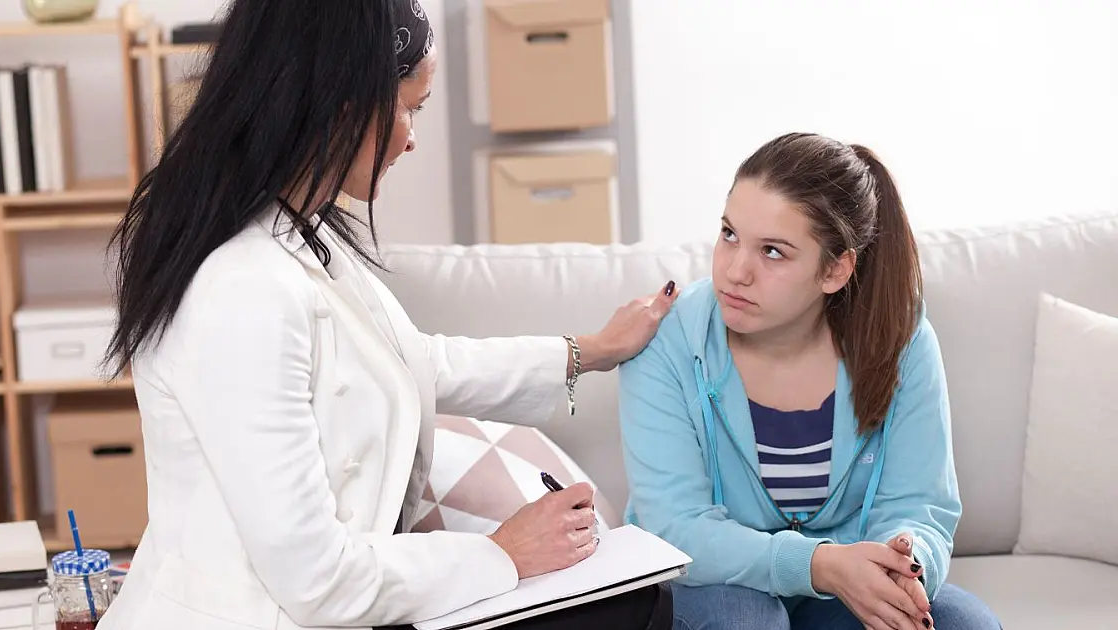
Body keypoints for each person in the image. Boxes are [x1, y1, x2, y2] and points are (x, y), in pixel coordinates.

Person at [95, 2, 677, 629]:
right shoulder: (240, 291)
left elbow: (417, 362)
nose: (411, 135)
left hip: (349, 603)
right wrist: (503, 555)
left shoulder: (298, 238)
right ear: (339, 107)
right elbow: (318, 583)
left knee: (636, 601)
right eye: (407, 106)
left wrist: (589, 351)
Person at [617, 132, 1003, 630]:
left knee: (961, 623)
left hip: (842, 585)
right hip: (714, 584)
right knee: (746, 620)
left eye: (773, 252)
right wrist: (818, 564)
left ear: (835, 270)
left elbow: (917, 504)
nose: (735, 271)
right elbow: (675, 528)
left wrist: (905, 567)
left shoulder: (900, 338)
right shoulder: (668, 340)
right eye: (729, 234)